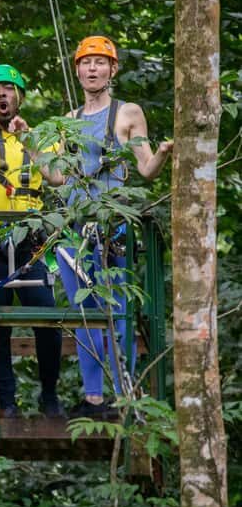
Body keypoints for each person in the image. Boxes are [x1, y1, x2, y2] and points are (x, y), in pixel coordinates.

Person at [56, 35, 173, 419]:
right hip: (76, 227)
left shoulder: (127, 113)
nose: (92, 69)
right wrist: (31, 143)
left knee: (117, 310)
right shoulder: (69, 121)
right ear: (77, 70)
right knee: (85, 312)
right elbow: (56, 177)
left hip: (112, 227)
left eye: (100, 62)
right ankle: (93, 398)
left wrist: (161, 155)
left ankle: (125, 396)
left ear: (113, 69)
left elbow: (145, 169)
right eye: (86, 63)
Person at [0, 44, 65, 418]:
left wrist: (30, 140)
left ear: (18, 97)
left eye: (8, 89)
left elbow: (57, 177)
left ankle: (49, 396)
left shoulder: (43, 137)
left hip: (30, 245)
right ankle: (6, 404)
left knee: (48, 321)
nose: (1, 94)